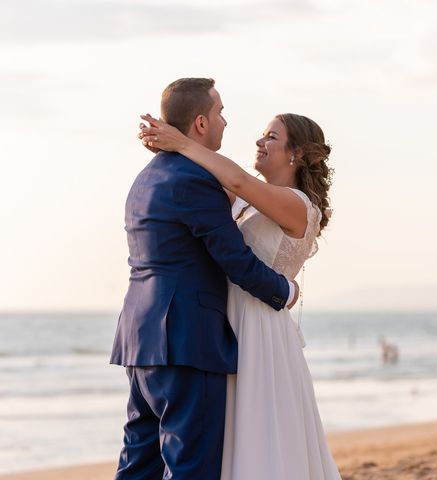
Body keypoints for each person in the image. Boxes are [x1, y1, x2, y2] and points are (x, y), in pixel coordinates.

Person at [139, 97, 341, 478]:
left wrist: (183, 142)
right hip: (226, 321)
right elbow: (215, 185)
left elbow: (236, 179)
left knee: (258, 438)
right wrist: (166, 142)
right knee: (223, 437)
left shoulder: (297, 204)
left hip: (259, 328)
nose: (259, 142)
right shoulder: (246, 202)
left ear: (295, 153)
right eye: (262, 134)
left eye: (271, 137)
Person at [110, 77, 300, 480]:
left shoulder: (146, 177)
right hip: (185, 339)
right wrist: (284, 291)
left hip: (138, 338)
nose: (226, 122)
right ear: (199, 123)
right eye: (219, 113)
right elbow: (233, 257)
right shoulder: (195, 180)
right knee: (191, 468)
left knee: (138, 463)